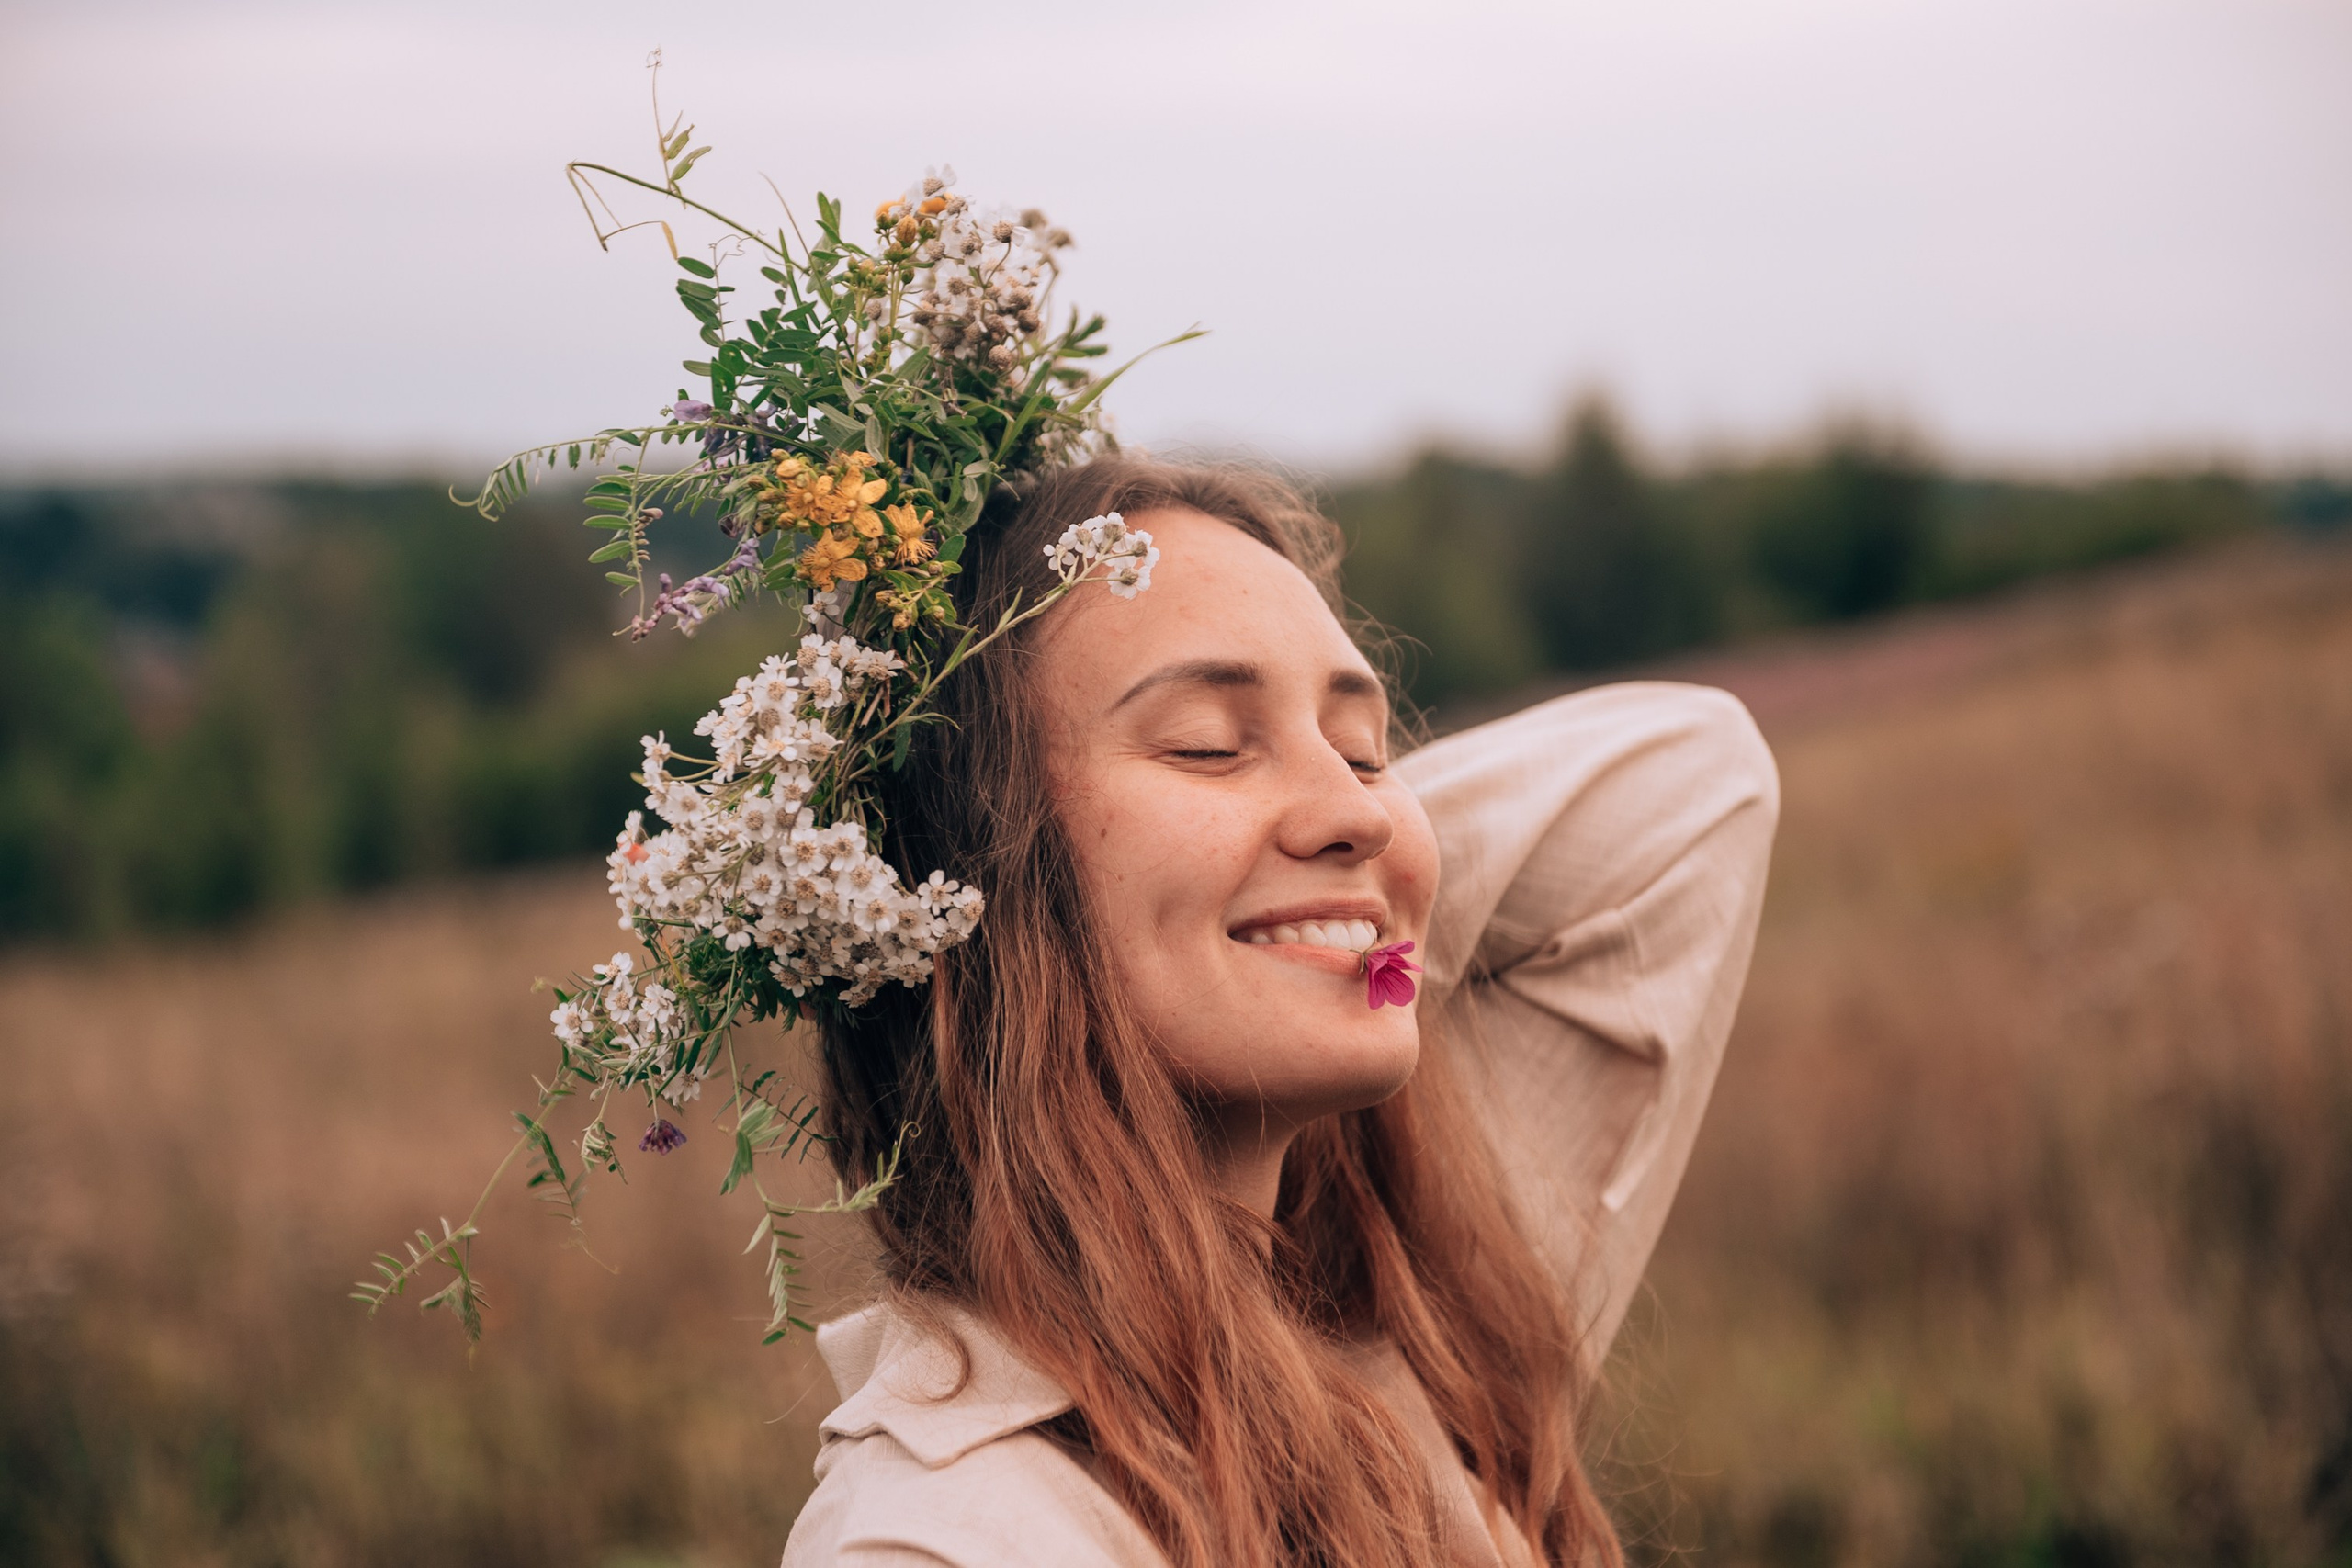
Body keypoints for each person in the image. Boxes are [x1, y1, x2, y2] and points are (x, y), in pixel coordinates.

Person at [779, 457, 1780, 1568]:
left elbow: (1702, 774)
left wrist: (1329, 907)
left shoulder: (1422, 1316)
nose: (1362, 808)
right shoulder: (942, 1542)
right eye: (1207, 743)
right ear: (963, 865)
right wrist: (921, 914)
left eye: (1364, 751)